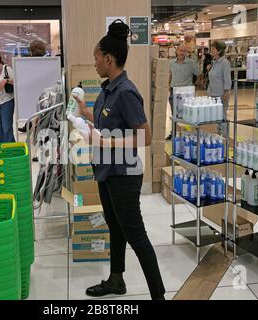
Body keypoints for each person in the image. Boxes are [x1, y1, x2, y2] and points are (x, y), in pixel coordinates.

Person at [74, 20, 166, 300]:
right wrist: (83, 113)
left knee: (136, 236)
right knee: (115, 227)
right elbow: (109, 122)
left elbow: (145, 137)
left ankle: (158, 296)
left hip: (124, 176)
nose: (95, 63)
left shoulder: (126, 91)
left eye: (96, 58)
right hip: (107, 172)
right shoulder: (107, 88)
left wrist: (105, 141)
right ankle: (116, 280)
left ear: (109, 58)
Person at [167, 43, 199, 139]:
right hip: (174, 91)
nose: (182, 53)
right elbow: (170, 75)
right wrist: (168, 86)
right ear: (176, 51)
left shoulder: (191, 63)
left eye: (184, 51)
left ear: (186, 52)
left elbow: (199, 74)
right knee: (173, 114)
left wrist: (195, 85)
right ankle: (173, 133)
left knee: (187, 114)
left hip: (186, 93)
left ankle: (188, 134)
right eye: (180, 50)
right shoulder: (171, 63)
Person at [17, 40, 47, 134]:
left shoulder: (27, 63)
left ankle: (30, 127)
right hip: (41, 94)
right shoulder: (49, 62)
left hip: (36, 93)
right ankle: (30, 126)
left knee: (33, 111)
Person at [207, 40, 232, 135]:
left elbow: (227, 78)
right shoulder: (214, 62)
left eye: (213, 49)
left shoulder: (224, 63)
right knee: (214, 116)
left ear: (219, 50)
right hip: (212, 94)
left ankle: (225, 138)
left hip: (221, 94)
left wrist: (226, 92)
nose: (211, 50)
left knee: (222, 116)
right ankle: (217, 136)